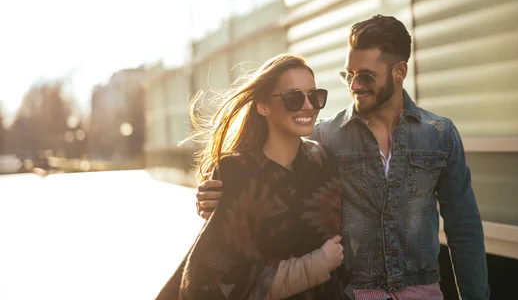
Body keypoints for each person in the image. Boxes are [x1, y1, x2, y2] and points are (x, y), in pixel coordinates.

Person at [197, 15, 491, 300]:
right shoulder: (325, 138)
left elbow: (463, 228)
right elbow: (274, 184)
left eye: (365, 76)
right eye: (349, 75)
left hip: (421, 291)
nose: (354, 85)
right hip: (355, 292)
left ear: (399, 71)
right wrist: (218, 198)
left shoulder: (440, 135)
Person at [157, 54, 347, 300]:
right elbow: (213, 280)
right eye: (294, 97)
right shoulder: (237, 172)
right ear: (263, 106)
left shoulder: (325, 162)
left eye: (315, 95)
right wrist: (315, 266)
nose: (309, 106)